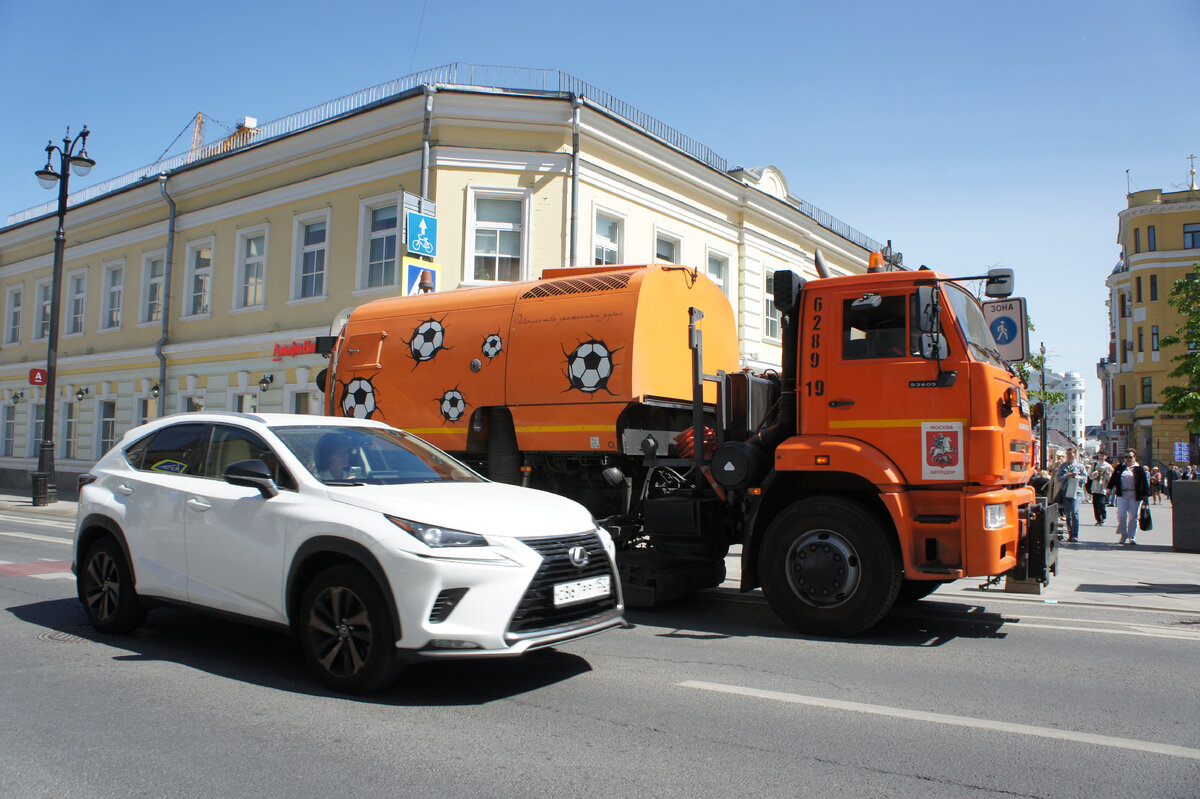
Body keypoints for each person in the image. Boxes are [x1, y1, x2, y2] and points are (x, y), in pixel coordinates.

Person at [1107, 450, 1150, 545]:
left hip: (1135, 495)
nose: (1127, 459)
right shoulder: (1120, 467)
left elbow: (1145, 482)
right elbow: (1113, 479)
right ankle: (1123, 534)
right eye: (1126, 457)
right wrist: (1109, 489)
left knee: (1134, 516)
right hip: (1122, 494)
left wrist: (1146, 495)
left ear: (1135, 458)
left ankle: (1132, 536)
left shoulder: (1139, 469)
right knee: (1121, 514)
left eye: (1130, 457)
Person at [1052, 448, 1087, 542]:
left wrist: (1077, 476)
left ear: (1075, 455)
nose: (1069, 456)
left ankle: (1075, 534)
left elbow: (1085, 479)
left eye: (1071, 454)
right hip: (1066, 491)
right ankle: (1070, 534)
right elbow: (1058, 478)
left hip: (1077, 491)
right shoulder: (1063, 466)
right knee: (1068, 514)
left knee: (1074, 512)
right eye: (1068, 454)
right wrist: (1066, 476)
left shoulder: (1080, 466)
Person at [1088, 454, 1113, 525]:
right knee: (1095, 504)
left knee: (1102, 503)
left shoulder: (1108, 466)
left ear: (1106, 457)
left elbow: (1111, 478)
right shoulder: (1095, 465)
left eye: (1103, 456)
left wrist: (1108, 475)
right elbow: (1089, 475)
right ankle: (1098, 519)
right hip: (1095, 487)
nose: (1101, 457)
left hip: (1103, 488)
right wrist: (1093, 474)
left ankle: (1103, 517)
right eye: (1100, 456)